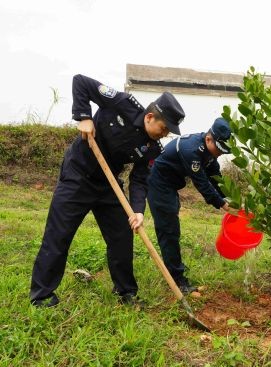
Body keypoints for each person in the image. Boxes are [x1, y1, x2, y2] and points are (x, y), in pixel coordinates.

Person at [30, 74, 185, 307]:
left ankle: (126, 293)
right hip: (78, 175)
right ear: (150, 117)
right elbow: (80, 82)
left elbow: (140, 179)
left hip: (109, 184)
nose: (164, 134)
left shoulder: (152, 148)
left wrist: (137, 210)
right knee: (58, 234)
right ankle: (41, 296)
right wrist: (83, 116)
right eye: (164, 129)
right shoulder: (122, 103)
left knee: (122, 238)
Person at [147, 117, 234, 293]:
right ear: (209, 139)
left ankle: (175, 266)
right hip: (158, 184)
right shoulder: (191, 150)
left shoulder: (209, 153)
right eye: (218, 149)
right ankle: (177, 280)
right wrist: (221, 204)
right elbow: (202, 183)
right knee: (169, 230)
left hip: (171, 186)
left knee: (172, 227)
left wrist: (231, 200)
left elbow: (216, 179)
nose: (219, 154)